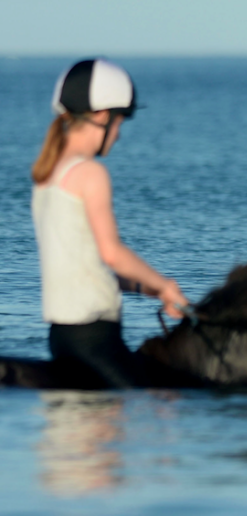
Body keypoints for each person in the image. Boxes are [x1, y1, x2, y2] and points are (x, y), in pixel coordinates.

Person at [31, 58, 189, 387]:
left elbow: (82, 266)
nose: (118, 135)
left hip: (61, 338)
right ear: (102, 116)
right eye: (119, 123)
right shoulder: (90, 173)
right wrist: (165, 285)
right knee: (162, 407)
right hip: (96, 340)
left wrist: (142, 288)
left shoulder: (46, 177)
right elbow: (111, 253)